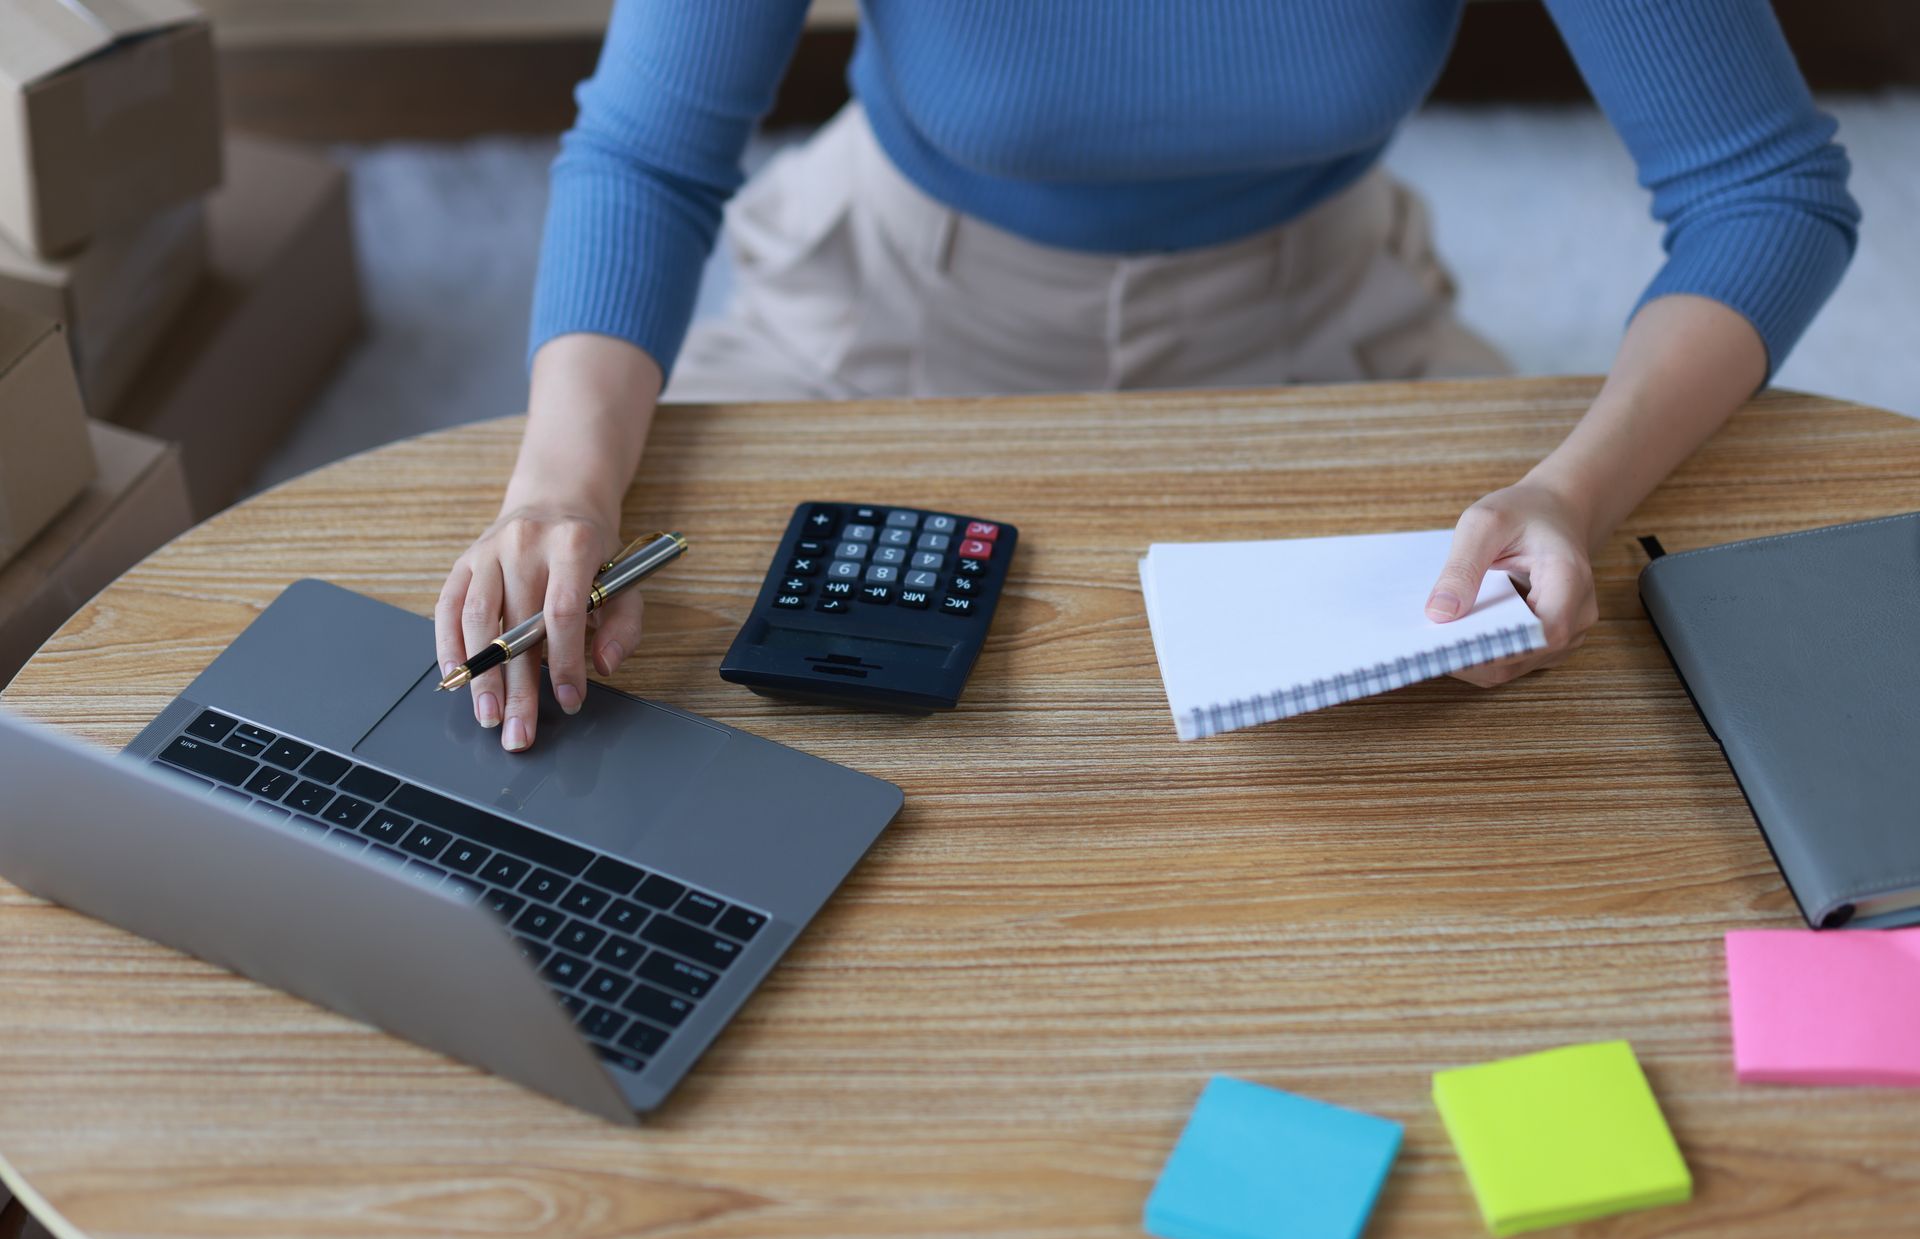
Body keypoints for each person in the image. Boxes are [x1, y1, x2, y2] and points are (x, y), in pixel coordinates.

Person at [435, 0, 1858, 752]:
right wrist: (559, 484)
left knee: (1539, 737)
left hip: (1320, 323)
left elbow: (1763, 187)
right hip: (885, 305)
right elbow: (649, 152)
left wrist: (1570, 490)